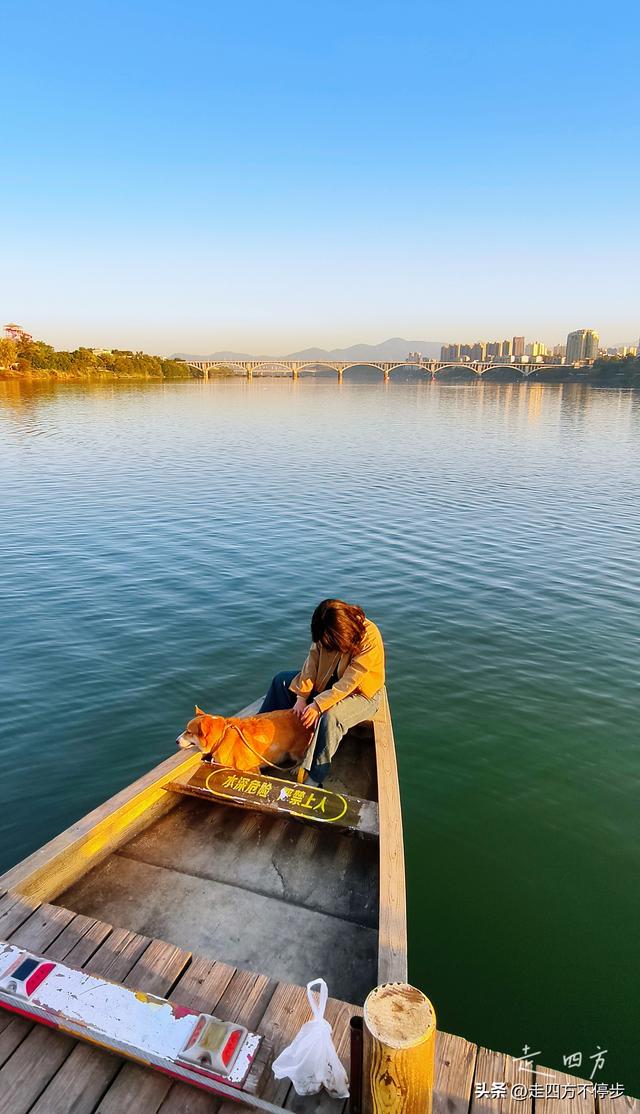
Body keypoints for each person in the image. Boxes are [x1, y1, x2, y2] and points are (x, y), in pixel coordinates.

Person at [259, 599, 385, 785]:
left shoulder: (369, 636)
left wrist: (318, 705)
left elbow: (349, 682)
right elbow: (311, 663)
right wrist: (301, 697)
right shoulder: (324, 631)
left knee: (331, 716)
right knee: (281, 681)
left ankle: (315, 776)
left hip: (361, 694)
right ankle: (256, 740)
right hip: (328, 684)